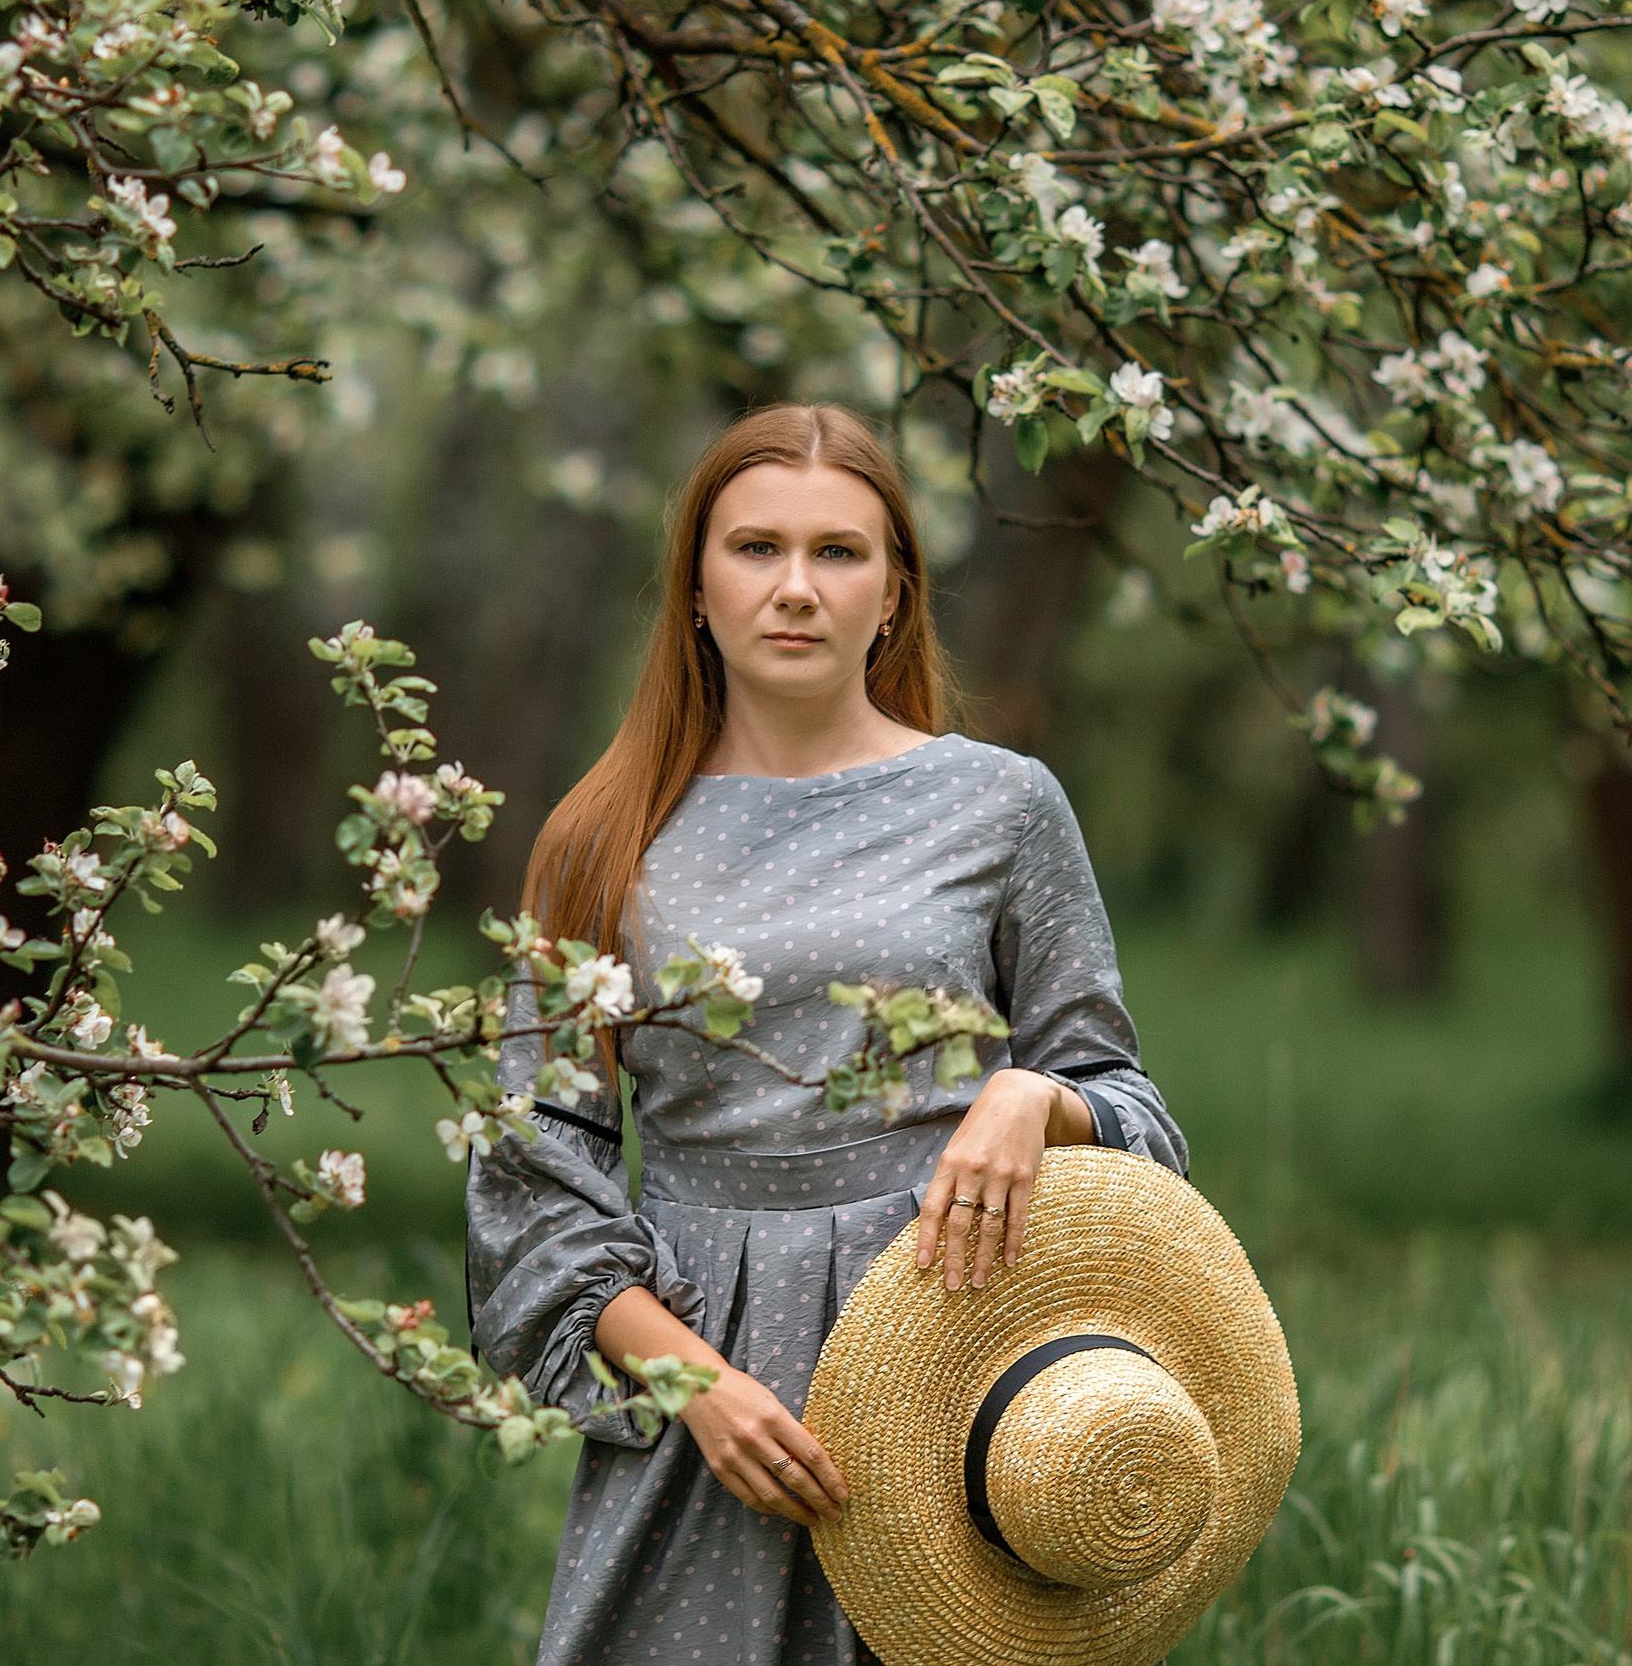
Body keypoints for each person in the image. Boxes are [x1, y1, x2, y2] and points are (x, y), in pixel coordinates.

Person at [464, 402, 1188, 1666]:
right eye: (756, 549)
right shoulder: (598, 840)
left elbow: (1134, 1118)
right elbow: (534, 1181)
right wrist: (693, 1386)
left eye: (839, 552)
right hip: (712, 1382)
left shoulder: (1002, 806)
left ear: (895, 590)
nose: (795, 588)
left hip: (959, 1354)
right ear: (695, 585)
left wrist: (1034, 1099)